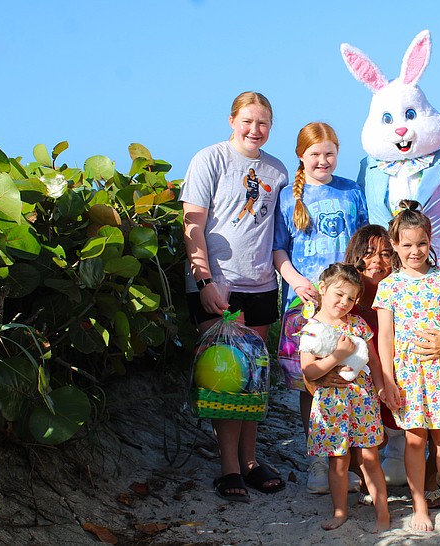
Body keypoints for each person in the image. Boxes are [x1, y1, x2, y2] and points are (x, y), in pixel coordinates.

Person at [181, 91, 289, 501]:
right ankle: (228, 467)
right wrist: (203, 280)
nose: (254, 129)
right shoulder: (209, 159)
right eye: (247, 121)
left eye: (263, 123)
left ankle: (250, 462)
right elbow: (192, 224)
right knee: (227, 378)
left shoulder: (277, 170)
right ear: (232, 121)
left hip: (261, 285)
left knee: (254, 379)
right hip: (219, 285)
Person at [343, 224, 440, 508]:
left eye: (384, 254)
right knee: (359, 420)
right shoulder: (344, 304)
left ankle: (431, 479)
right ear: (355, 257)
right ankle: (365, 477)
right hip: (372, 398)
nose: (377, 260)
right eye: (368, 253)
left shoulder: (428, 285)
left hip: (419, 387)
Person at [374, 200, 440, 531]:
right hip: (408, 376)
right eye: (407, 245)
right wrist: (388, 380)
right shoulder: (389, 285)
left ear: (430, 241)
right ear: (395, 245)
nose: (415, 251)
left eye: (421, 243)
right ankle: (419, 505)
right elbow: (385, 337)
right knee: (415, 440)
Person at [273, 121, 369, 494]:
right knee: (310, 381)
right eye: (315, 154)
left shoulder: (351, 190)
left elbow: (363, 244)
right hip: (306, 304)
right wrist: (297, 282)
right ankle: (318, 460)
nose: (322, 160)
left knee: (350, 375)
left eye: (329, 153)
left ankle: (351, 462)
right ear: (301, 155)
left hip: (345, 303)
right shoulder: (287, 196)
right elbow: (279, 250)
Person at [299, 263, 389, 531]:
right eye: (339, 294)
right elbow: (309, 370)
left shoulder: (358, 324)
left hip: (363, 400)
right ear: (322, 288)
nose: (344, 302)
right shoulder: (311, 328)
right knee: (338, 460)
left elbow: (374, 360)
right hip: (331, 405)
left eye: (351, 298)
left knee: (370, 457)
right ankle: (340, 512)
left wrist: (381, 388)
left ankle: (383, 514)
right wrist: (337, 355)